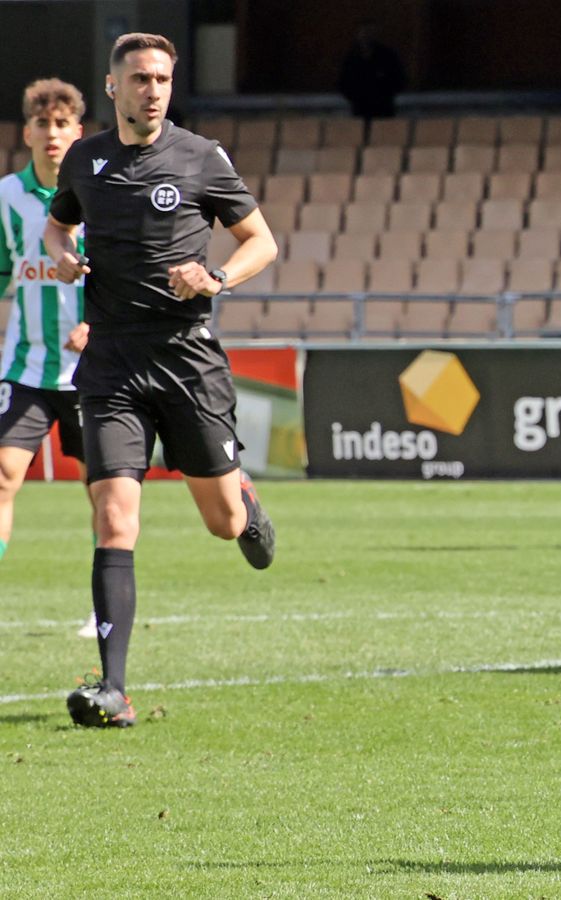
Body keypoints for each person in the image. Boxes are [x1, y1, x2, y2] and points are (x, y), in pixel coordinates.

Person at [44, 32, 280, 728]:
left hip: (186, 359)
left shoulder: (201, 158)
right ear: (113, 86)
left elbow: (261, 241)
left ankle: (242, 496)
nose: (152, 89)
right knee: (115, 517)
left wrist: (214, 277)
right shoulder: (85, 160)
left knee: (222, 523)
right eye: (140, 78)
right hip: (111, 363)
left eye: (163, 79)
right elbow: (59, 228)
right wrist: (62, 257)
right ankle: (112, 690)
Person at [0, 79, 97, 637]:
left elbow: (125, 275)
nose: (53, 133)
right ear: (28, 132)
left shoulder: (99, 193)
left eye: (63, 124)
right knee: (4, 475)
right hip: (26, 369)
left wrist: (97, 325)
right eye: (44, 124)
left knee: (102, 490)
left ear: (77, 132)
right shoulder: (7, 197)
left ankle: (102, 605)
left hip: (92, 372)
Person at [337, 22, 407, 123]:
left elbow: (399, 79)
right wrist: (355, 97)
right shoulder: (352, 58)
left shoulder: (387, 56)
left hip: (383, 109)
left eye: (370, 33)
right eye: (364, 33)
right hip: (359, 108)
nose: (366, 36)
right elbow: (343, 81)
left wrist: (384, 94)